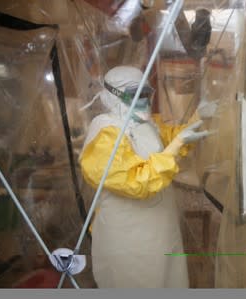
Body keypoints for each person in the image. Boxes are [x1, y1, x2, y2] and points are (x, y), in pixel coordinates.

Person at [79, 65, 212, 287]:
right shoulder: (105, 133)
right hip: (128, 235)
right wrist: (175, 147)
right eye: (136, 94)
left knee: (169, 277)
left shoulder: (147, 122)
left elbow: (171, 139)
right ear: (113, 96)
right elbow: (135, 182)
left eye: (146, 93)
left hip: (161, 226)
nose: (144, 100)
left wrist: (198, 117)